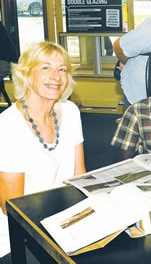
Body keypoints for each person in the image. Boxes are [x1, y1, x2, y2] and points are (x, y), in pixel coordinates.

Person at [0, 42, 86, 260]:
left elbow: (80, 177)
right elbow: (12, 207)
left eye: (62, 69)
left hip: (64, 221)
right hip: (20, 233)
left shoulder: (70, 111)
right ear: (27, 75)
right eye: (45, 67)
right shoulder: (8, 126)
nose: (56, 76)